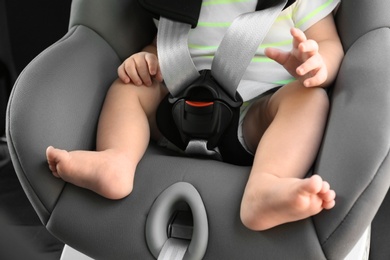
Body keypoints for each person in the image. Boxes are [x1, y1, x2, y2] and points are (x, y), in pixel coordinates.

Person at [46, 0, 343, 231]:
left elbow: (329, 44)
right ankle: (117, 160)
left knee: (310, 99)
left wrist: (317, 64)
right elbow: (161, 43)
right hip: (176, 104)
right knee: (130, 86)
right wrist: (147, 59)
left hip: (257, 114)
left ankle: (266, 186)